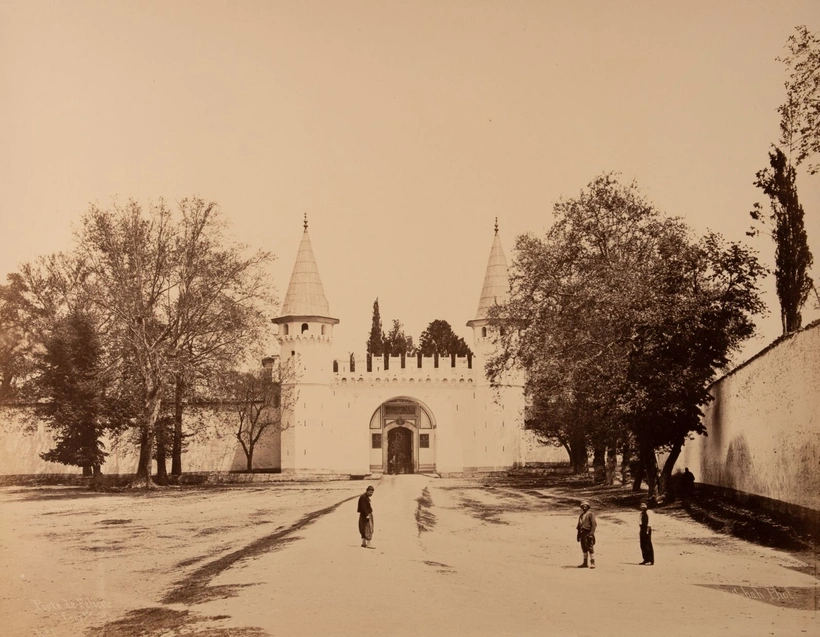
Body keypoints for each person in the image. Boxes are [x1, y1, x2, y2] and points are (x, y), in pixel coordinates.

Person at [576, 501, 597, 569]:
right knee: (584, 548)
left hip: (588, 533)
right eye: (582, 506)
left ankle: (592, 563)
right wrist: (578, 535)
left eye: (585, 506)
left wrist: (591, 534)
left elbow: (594, 524)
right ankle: (585, 563)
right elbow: (579, 526)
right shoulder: (581, 515)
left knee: (590, 547)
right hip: (582, 533)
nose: (584, 507)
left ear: (588, 507)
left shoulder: (590, 514)